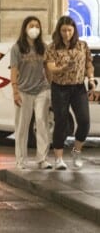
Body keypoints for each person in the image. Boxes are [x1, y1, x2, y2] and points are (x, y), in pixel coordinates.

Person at [45, 15, 95, 170]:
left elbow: (89, 65)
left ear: (74, 30)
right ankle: (58, 159)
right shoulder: (52, 47)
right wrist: (63, 69)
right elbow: (50, 67)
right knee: (61, 123)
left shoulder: (82, 45)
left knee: (85, 122)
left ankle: (76, 151)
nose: (66, 33)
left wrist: (91, 79)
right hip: (59, 87)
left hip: (78, 87)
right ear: (59, 31)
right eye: (63, 30)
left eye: (69, 30)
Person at [10, 16, 52, 170]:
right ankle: (21, 160)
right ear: (25, 28)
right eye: (31, 25)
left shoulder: (43, 47)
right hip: (23, 91)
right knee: (22, 125)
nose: (35, 28)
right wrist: (15, 91)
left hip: (42, 89)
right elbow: (14, 71)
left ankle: (42, 158)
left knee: (42, 123)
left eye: (37, 26)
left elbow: (47, 69)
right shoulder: (17, 48)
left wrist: (51, 88)